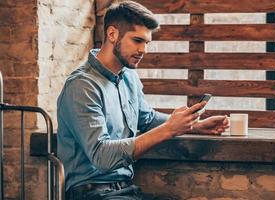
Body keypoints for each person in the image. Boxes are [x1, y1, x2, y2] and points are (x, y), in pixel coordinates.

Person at [57, 1, 229, 199]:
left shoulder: (128, 77)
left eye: (147, 42)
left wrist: (194, 126)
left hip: (125, 189)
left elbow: (146, 119)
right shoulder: (82, 86)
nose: (144, 50)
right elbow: (101, 156)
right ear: (112, 34)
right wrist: (169, 129)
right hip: (90, 193)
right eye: (137, 40)